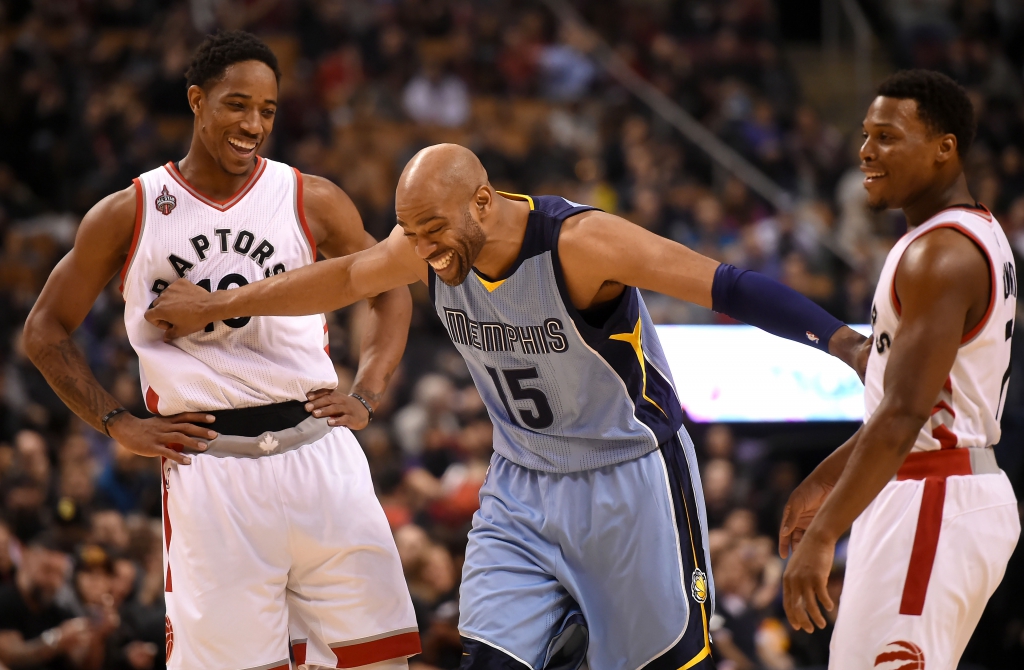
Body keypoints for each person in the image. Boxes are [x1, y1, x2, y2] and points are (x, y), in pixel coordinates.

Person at [146, 142, 868, 670]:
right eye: (411, 231)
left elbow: (729, 285)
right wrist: (218, 303)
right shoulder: (425, 247)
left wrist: (842, 342)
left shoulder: (583, 244)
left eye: (432, 229)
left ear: (482, 203)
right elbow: (343, 277)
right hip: (520, 485)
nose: (421, 248)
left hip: (630, 479)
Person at [23, 31, 419, 670]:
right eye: (237, 104)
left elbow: (390, 289)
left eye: (267, 109)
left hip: (319, 452)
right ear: (197, 100)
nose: (253, 123)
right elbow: (43, 330)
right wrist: (117, 423)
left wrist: (369, 390)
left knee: (378, 662)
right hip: (212, 468)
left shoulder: (308, 196)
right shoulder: (132, 210)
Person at [778, 70, 1019, 669]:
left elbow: (908, 414)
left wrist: (824, 534)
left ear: (945, 148)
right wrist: (827, 478)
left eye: (887, 136)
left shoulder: (940, 254)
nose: (866, 151)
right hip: (934, 488)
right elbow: (910, 403)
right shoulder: (965, 234)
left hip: (934, 495)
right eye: (865, 134)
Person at [0, 532, 104, 670]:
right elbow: (9, 655)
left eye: (60, 575)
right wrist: (54, 641)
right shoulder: (5, 600)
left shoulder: (59, 612)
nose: (53, 582)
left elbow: (84, 665)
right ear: (26, 559)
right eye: (47, 571)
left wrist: (97, 635)